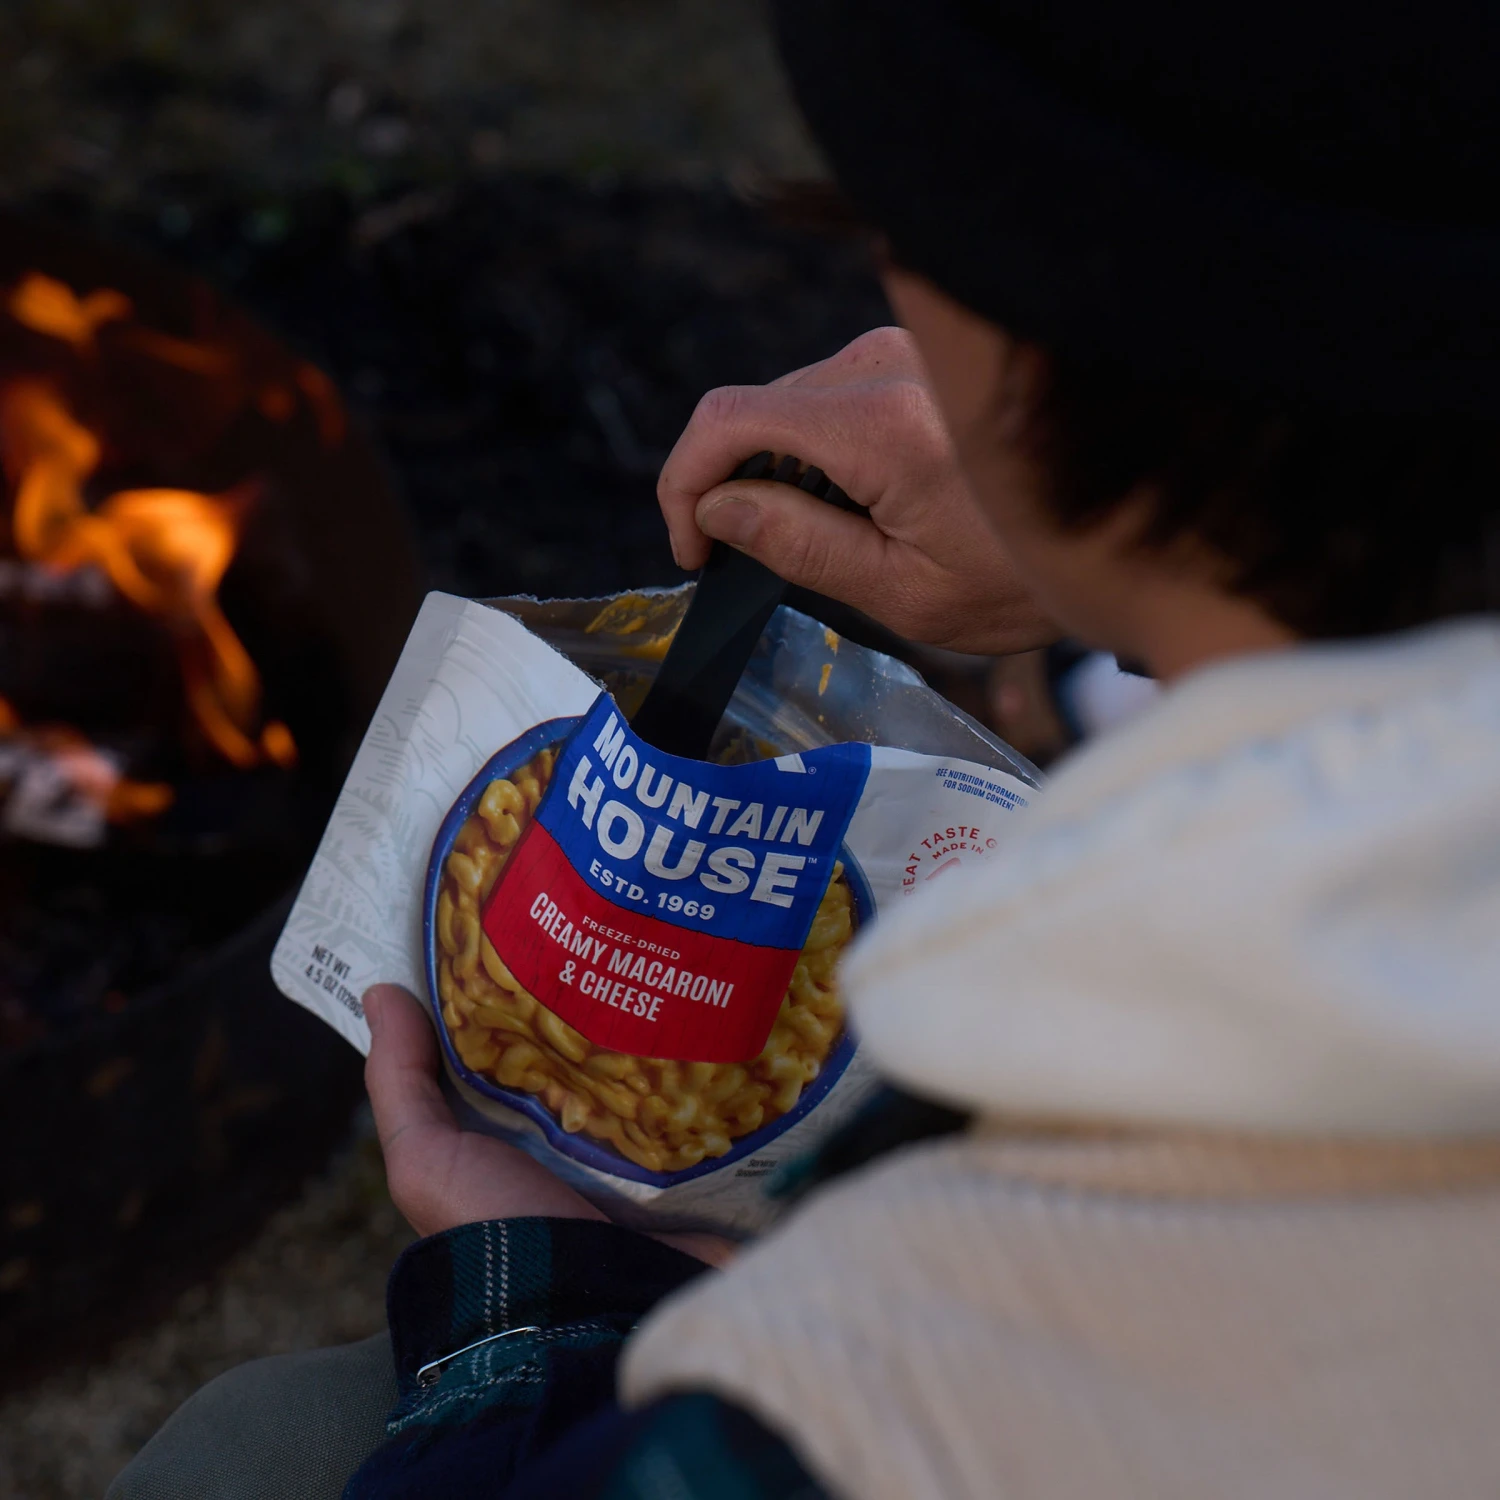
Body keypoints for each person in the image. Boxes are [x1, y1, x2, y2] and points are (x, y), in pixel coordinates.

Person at [112, 2, 1500, 1497]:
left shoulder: (886, 1374)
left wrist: (540, 1318)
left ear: (1031, 356)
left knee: (233, 1459)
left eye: (897, 233)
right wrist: (1127, 545)